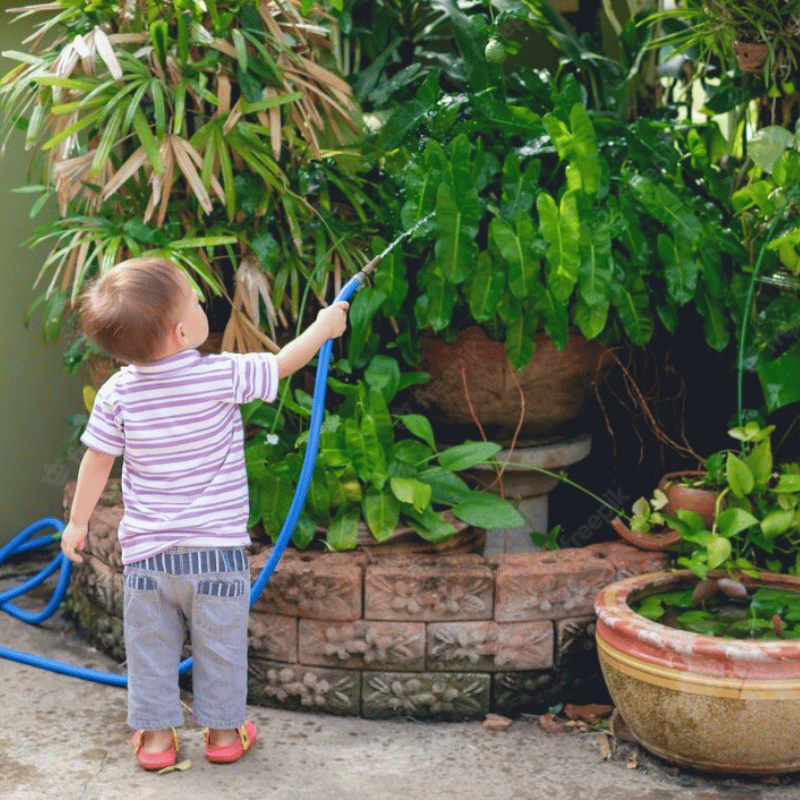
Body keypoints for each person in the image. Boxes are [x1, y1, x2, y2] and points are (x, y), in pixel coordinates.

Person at [60, 256, 348, 770]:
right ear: (180, 330)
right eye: (194, 301)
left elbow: (97, 460)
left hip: (149, 559)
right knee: (220, 648)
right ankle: (222, 736)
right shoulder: (220, 375)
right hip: (216, 555)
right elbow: (284, 362)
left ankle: (155, 741)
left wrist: (78, 522)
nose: (201, 306)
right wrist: (324, 328)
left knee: (150, 651)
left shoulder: (115, 394)